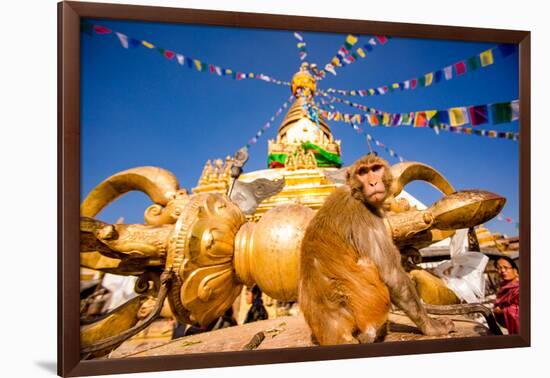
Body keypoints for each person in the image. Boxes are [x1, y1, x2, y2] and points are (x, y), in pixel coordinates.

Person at [493, 256, 520, 334]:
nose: (502, 271)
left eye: (506, 267)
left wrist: (502, 311)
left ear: (515, 270)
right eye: (499, 268)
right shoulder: (503, 288)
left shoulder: (520, 288)